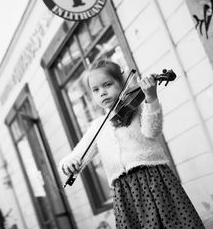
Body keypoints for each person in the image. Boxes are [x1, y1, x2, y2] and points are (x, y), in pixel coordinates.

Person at [59, 59, 204, 228]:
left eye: (107, 85)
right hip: (124, 191)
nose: (102, 93)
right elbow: (77, 155)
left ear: (121, 84)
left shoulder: (139, 109)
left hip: (153, 179)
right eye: (96, 90)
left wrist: (151, 97)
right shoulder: (98, 126)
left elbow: (152, 131)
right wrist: (69, 164)